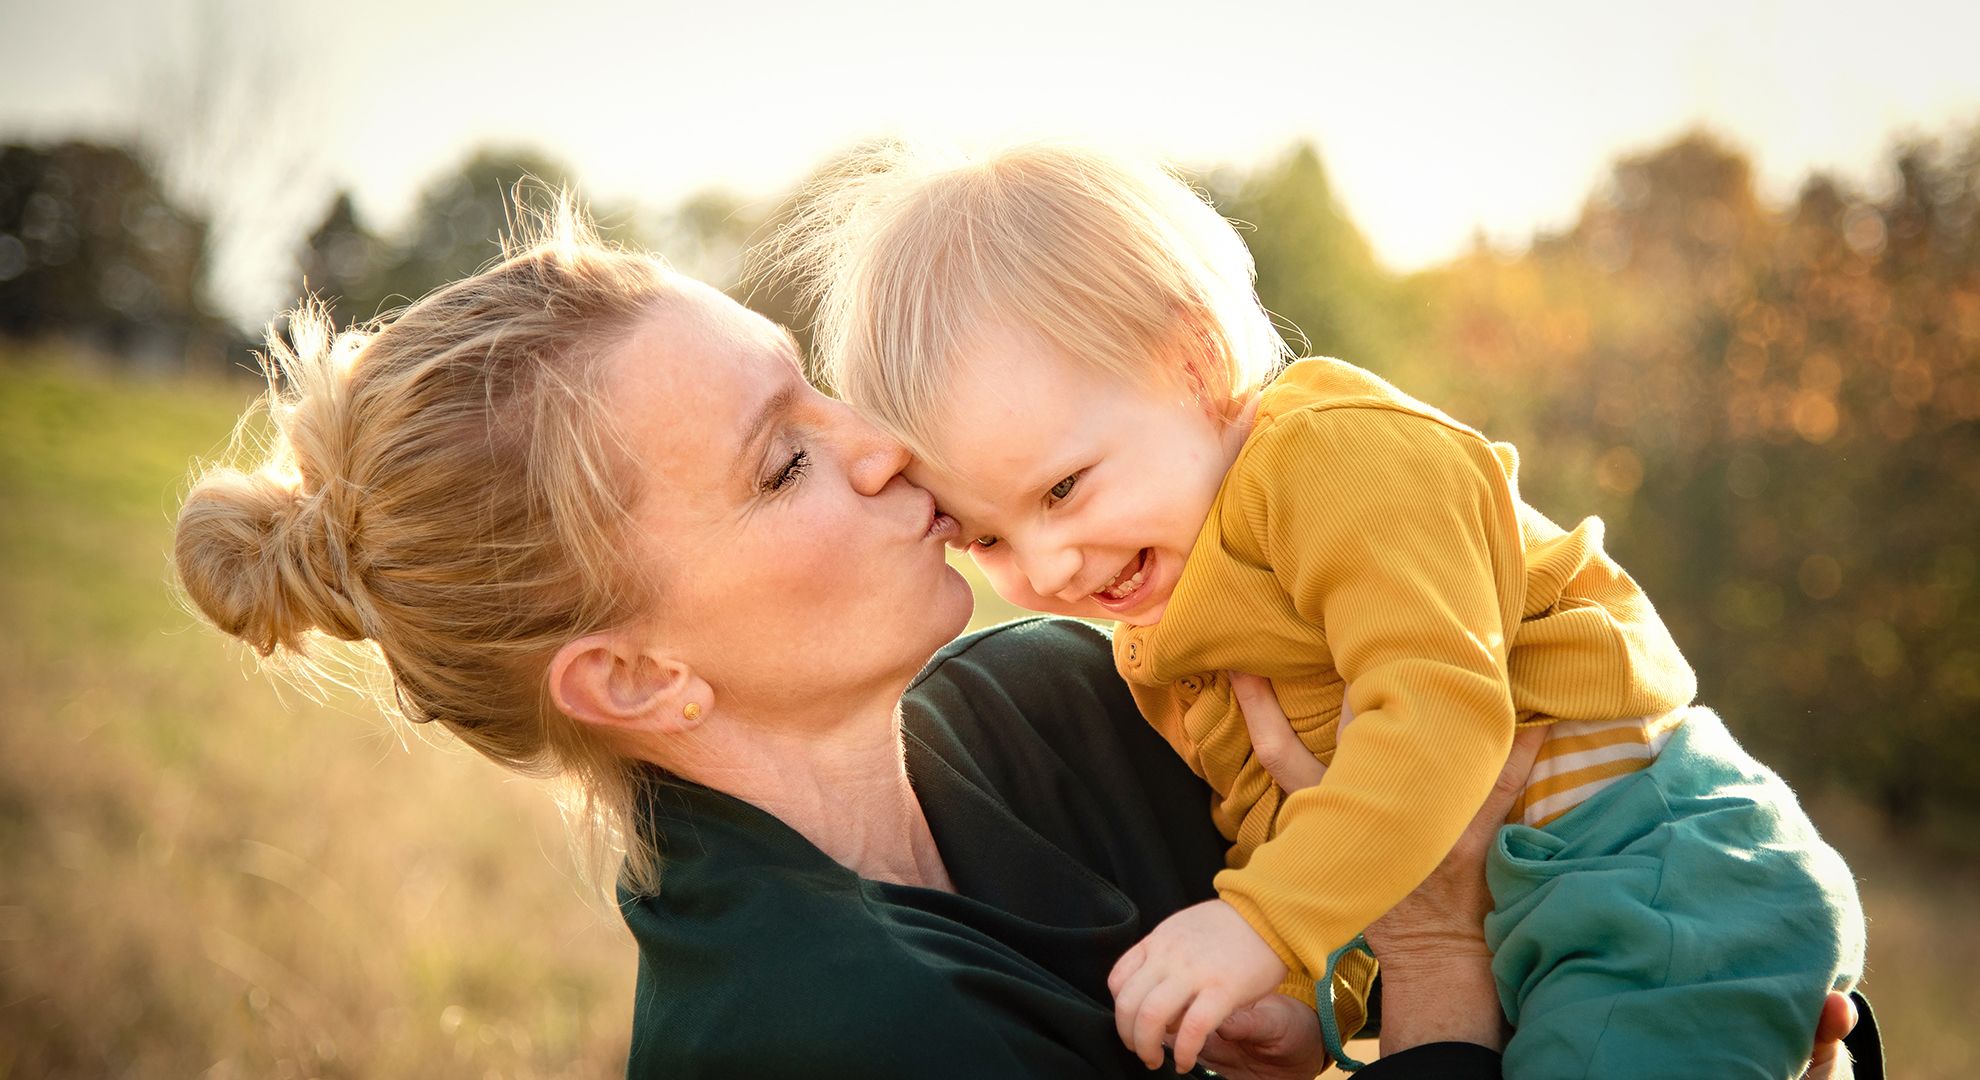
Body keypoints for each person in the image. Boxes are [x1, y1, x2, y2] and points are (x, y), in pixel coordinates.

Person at [172, 206, 1868, 1078]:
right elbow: (1421, 930)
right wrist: (1428, 968)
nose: (882, 448)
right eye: (781, 462)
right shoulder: (822, 1042)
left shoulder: (1074, 693)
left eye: (813, 390)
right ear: (635, 677)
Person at [782, 143, 1867, 1077]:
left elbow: (1440, 716)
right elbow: (1297, 821)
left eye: (1063, 489)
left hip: (1648, 858)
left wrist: (1262, 926)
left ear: (1194, 362)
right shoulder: (1167, 633)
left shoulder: (1335, 462)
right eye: (987, 539)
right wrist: (1316, 1002)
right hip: (1533, 916)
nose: (1049, 566)